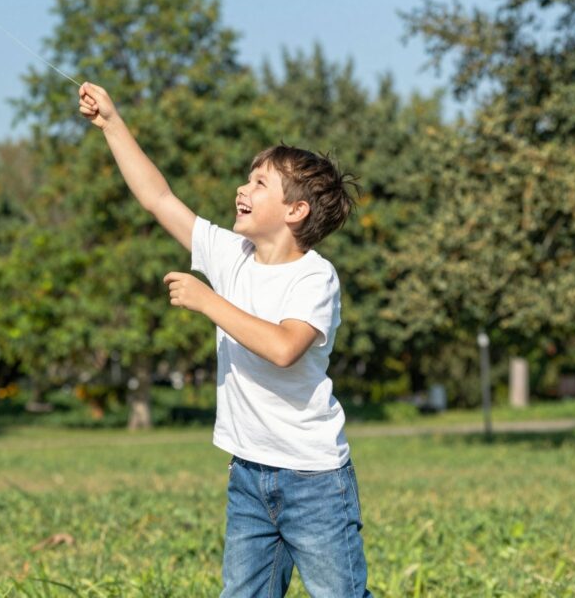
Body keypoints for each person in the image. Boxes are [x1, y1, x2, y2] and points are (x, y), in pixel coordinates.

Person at [78, 81, 370, 598]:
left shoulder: (314, 277)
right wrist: (112, 124)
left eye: (259, 183)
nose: (242, 189)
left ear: (296, 211)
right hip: (249, 475)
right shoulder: (231, 254)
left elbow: (284, 348)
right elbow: (158, 198)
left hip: (315, 481)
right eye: (247, 179)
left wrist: (208, 301)